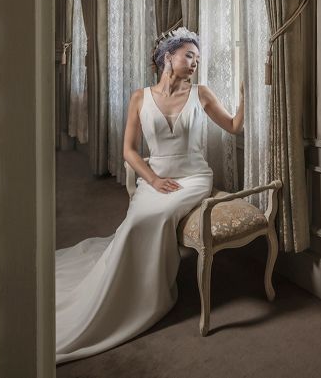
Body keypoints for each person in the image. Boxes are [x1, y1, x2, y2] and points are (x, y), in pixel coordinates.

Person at [55, 27, 245, 363]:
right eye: (189, 55)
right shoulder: (139, 98)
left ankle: (150, 295)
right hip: (156, 177)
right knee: (136, 221)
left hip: (193, 178)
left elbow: (233, 126)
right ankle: (119, 286)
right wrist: (153, 180)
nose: (195, 62)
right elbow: (129, 151)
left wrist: (245, 94)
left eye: (197, 58)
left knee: (157, 216)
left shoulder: (201, 93)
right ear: (168, 57)